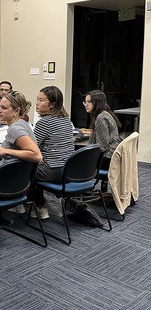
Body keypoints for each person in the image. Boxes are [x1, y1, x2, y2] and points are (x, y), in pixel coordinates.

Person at [31, 86, 75, 219]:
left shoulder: (44, 123)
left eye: (41, 100)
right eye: (37, 99)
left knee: (23, 168)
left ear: (52, 104)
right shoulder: (66, 120)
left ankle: (39, 206)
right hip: (68, 170)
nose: (37, 103)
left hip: (53, 171)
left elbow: (31, 149)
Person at [83, 89, 122, 170]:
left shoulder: (100, 118)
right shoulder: (105, 113)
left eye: (89, 102)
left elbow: (102, 147)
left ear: (97, 102)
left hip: (107, 158)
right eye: (85, 102)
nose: (86, 105)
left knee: (74, 161)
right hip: (112, 154)